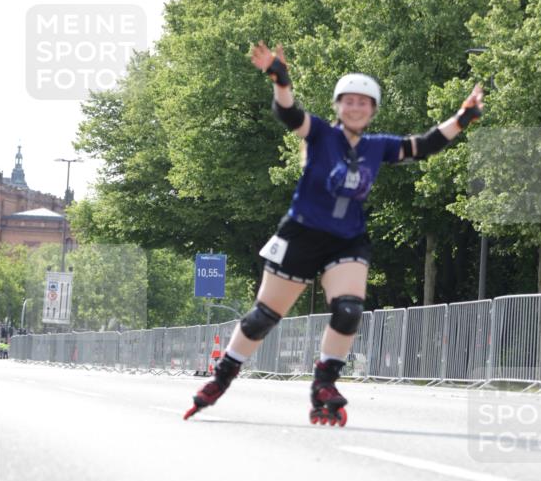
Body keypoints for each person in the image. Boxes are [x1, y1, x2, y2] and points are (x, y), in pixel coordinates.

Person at [183, 43, 483, 422]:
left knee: (348, 309)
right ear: (338, 106)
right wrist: (280, 77)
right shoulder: (320, 134)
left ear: (372, 110)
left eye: (363, 102)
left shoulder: (378, 147)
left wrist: (463, 116)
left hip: (346, 239)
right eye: (349, 101)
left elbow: (424, 145)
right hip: (301, 234)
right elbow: (288, 112)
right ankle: (222, 377)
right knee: (263, 317)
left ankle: (324, 380)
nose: (355, 108)